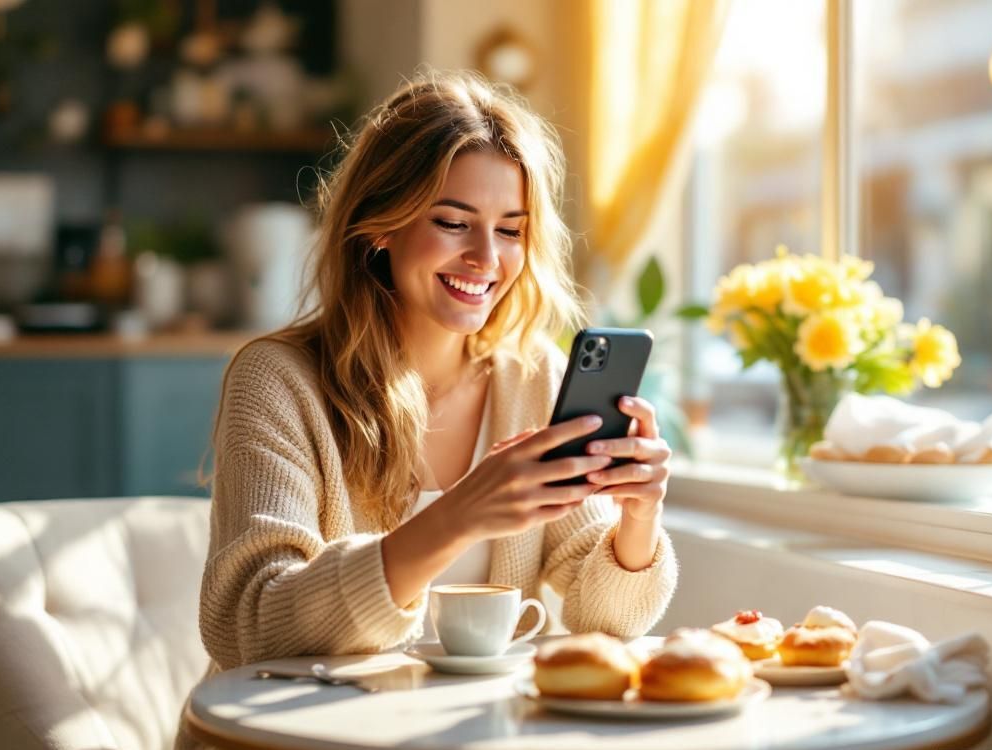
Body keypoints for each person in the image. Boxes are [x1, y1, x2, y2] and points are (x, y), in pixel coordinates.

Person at [175, 68, 678, 749]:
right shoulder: (278, 380)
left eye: (511, 230)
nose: (486, 258)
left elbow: (607, 621)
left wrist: (638, 520)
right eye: (452, 222)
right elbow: (254, 623)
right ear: (378, 226)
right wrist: (459, 514)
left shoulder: (533, 379)